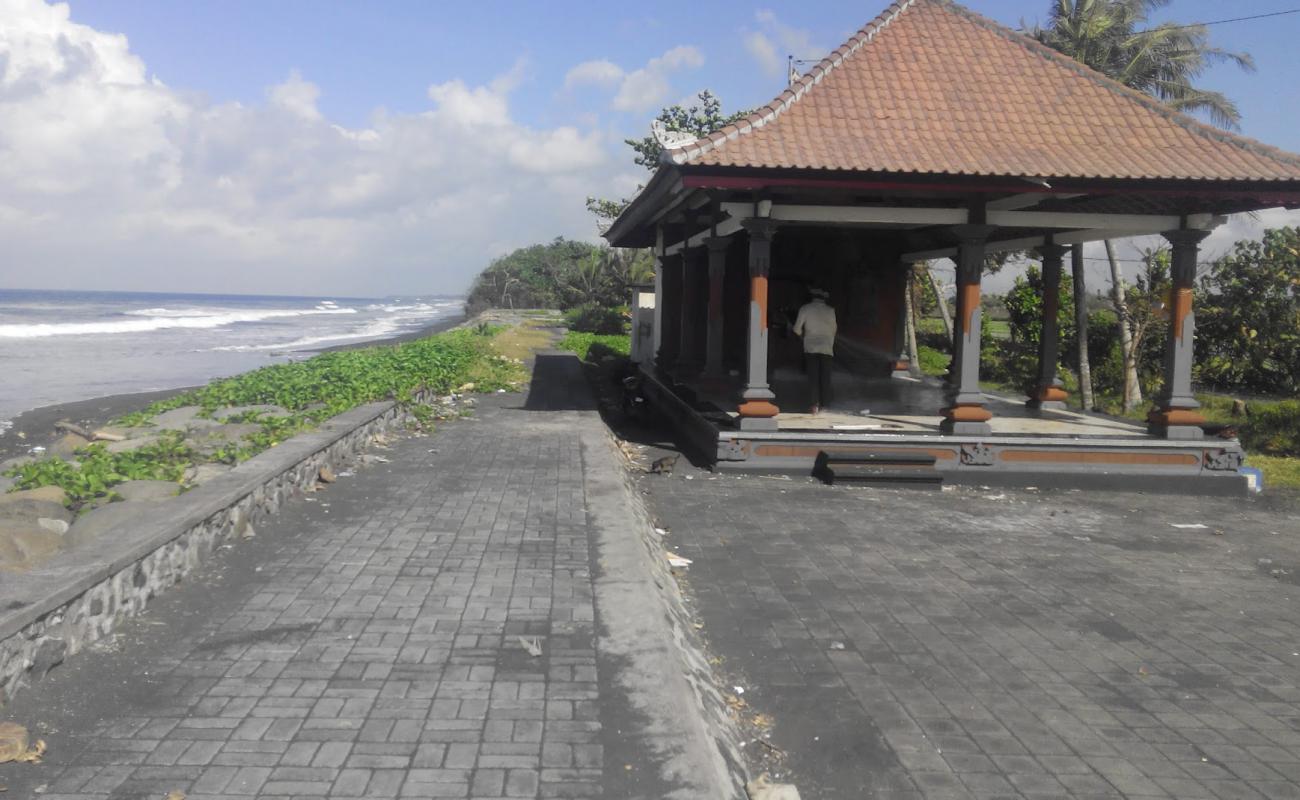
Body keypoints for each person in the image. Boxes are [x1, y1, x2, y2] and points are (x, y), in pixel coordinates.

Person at [793, 288, 837, 414]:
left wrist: (802, 335)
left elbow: (797, 329)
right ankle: (825, 406)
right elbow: (834, 329)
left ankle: (814, 405)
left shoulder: (805, 309)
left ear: (812, 297)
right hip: (827, 348)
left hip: (811, 348)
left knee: (813, 378)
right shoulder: (830, 310)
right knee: (825, 378)